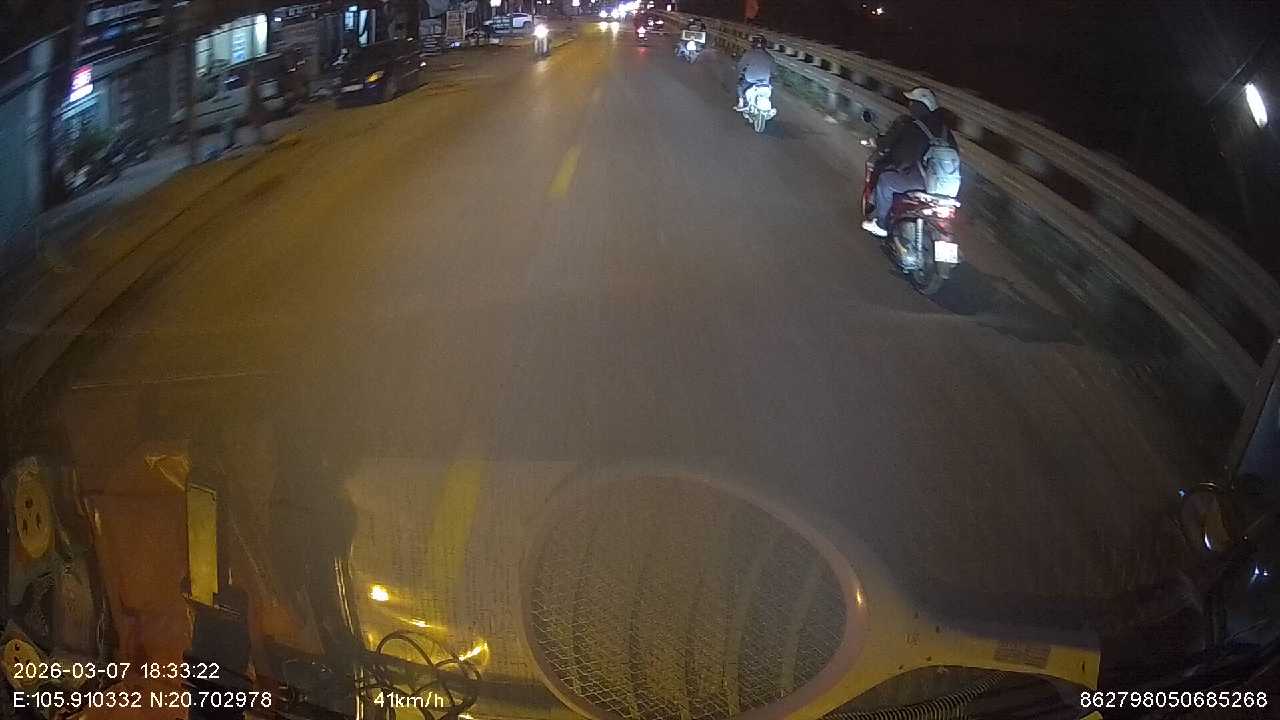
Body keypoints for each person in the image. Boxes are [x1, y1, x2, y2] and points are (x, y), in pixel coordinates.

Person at [861, 87, 956, 237]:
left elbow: (904, 155)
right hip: (949, 187)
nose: (910, 105)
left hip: (923, 181)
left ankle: (881, 225)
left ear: (921, 106)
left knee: (886, 180)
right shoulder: (945, 131)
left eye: (913, 102)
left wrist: (895, 163)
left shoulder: (916, 127)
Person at [733, 35, 775, 111]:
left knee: (740, 85)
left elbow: (740, 66)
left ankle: (741, 103)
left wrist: (737, 69)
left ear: (753, 44)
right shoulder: (770, 57)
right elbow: (774, 71)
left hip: (750, 80)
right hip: (765, 82)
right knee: (770, 86)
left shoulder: (748, 54)